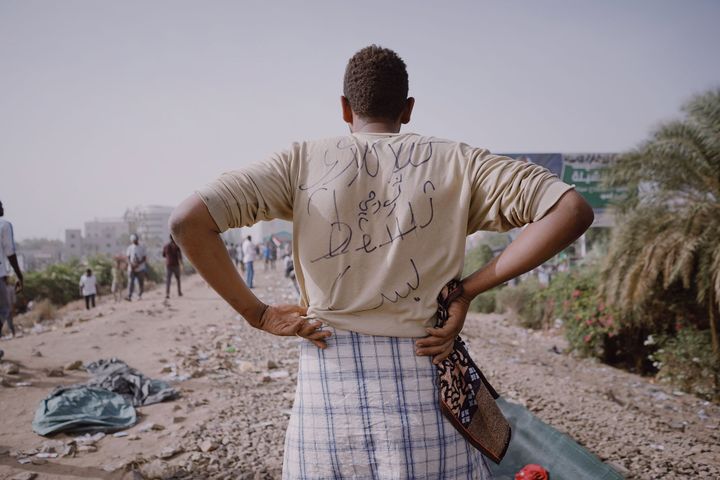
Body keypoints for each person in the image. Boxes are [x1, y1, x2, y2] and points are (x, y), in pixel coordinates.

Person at [170, 45, 594, 479]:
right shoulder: (461, 162)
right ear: (407, 109)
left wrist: (257, 314)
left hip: (327, 397)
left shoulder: (299, 162)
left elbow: (188, 221)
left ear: (344, 108)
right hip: (427, 390)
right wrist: (467, 289)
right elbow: (571, 211)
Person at [0, 201, 23, 340]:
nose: (3, 208)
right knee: (4, 309)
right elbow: (10, 252)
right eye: (0, 206)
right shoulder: (4, 225)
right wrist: (20, 276)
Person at [126, 234, 147, 301]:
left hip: (140, 268)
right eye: (133, 240)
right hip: (131, 268)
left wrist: (138, 264)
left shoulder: (142, 247)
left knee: (141, 282)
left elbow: (144, 258)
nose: (134, 241)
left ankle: (139, 294)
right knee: (131, 282)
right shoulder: (129, 248)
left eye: (135, 240)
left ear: (137, 239)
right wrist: (131, 264)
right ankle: (129, 295)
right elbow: (128, 258)